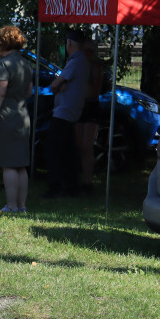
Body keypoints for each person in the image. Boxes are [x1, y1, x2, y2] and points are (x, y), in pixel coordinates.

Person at [0, 26, 33, 213]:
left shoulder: (4, 65)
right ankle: (22, 206)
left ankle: (11, 205)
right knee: (20, 164)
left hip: (6, 116)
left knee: (8, 164)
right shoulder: (26, 63)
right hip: (22, 115)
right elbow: (29, 91)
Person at [43, 29, 90, 198]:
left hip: (64, 112)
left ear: (69, 43)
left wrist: (58, 86)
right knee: (69, 151)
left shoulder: (76, 61)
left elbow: (55, 84)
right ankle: (72, 186)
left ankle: (55, 187)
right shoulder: (83, 61)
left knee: (53, 150)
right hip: (72, 111)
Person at [76, 39, 105, 194]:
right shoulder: (76, 65)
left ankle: (87, 181)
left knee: (87, 146)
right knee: (78, 144)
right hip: (78, 106)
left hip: (91, 106)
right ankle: (79, 178)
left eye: (89, 52)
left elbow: (95, 90)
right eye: (84, 51)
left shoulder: (95, 68)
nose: (87, 55)